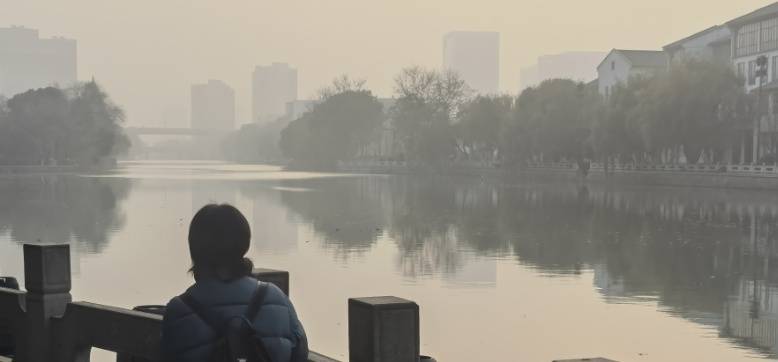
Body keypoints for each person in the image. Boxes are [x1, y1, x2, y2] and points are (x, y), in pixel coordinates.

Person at [162, 204, 308, 362]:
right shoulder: (276, 298)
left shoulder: (179, 310)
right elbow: (300, 354)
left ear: (195, 249)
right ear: (244, 243)